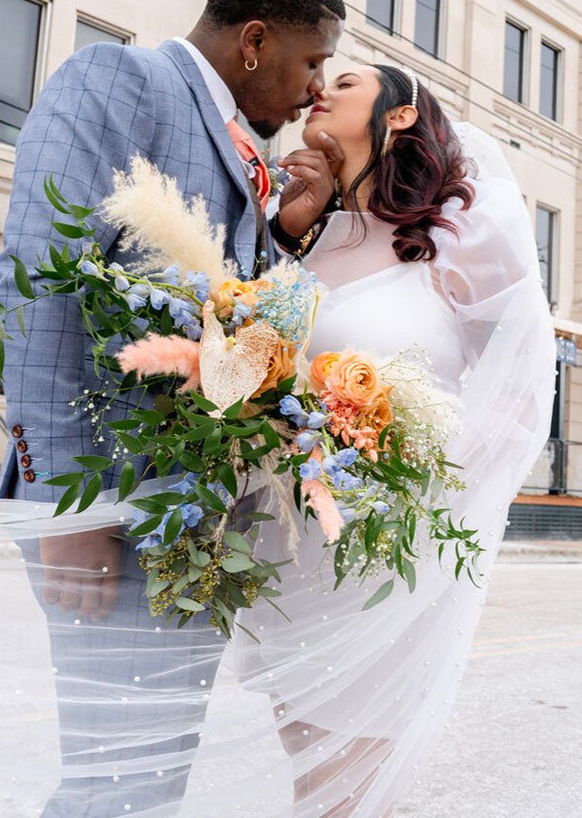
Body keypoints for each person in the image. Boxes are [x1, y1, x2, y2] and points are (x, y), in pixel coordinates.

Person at [0, 0, 345, 816]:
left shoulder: (236, 140)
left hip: (191, 524)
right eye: (312, 62)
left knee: (148, 779)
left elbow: (228, 332)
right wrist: (71, 512)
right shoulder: (121, 81)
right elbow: (40, 275)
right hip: (106, 511)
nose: (313, 92)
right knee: (118, 785)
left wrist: (288, 238)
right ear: (254, 40)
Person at [232, 64, 555, 817]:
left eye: (342, 81)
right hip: (292, 546)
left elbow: (522, 380)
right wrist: (285, 231)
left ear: (400, 116)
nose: (319, 88)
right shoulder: (310, 231)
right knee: (312, 772)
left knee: (343, 790)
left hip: (383, 545)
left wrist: (416, 473)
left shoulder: (456, 232)